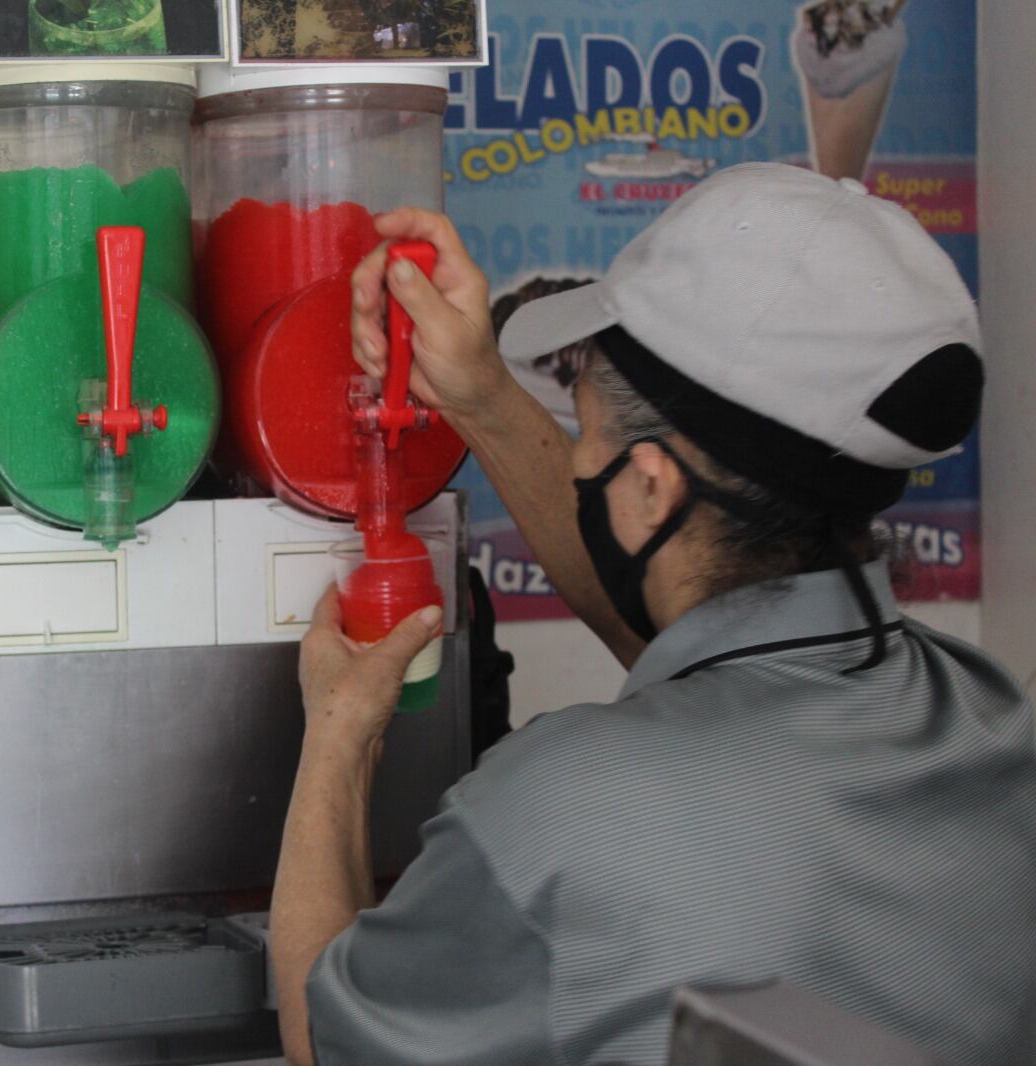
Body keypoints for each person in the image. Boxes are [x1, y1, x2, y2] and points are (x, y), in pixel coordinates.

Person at [270, 163, 1036, 1065]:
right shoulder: (994, 726)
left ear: (649, 488)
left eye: (585, 427)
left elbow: (325, 1041)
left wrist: (340, 732)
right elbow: (721, 665)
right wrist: (475, 391)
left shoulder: (553, 817)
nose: (578, 454)